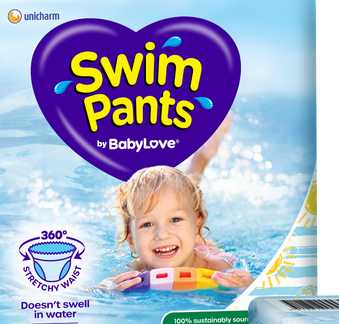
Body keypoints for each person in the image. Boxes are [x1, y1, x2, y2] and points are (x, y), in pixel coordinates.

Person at [102, 114, 253, 291]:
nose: (162, 235)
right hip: (183, 239)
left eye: (175, 219)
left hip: (200, 246)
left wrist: (245, 287)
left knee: (186, 195)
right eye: (147, 224)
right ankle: (200, 157)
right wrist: (106, 288)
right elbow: (89, 290)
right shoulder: (132, 273)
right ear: (131, 242)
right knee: (180, 198)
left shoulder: (216, 267)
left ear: (198, 229)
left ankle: (201, 158)